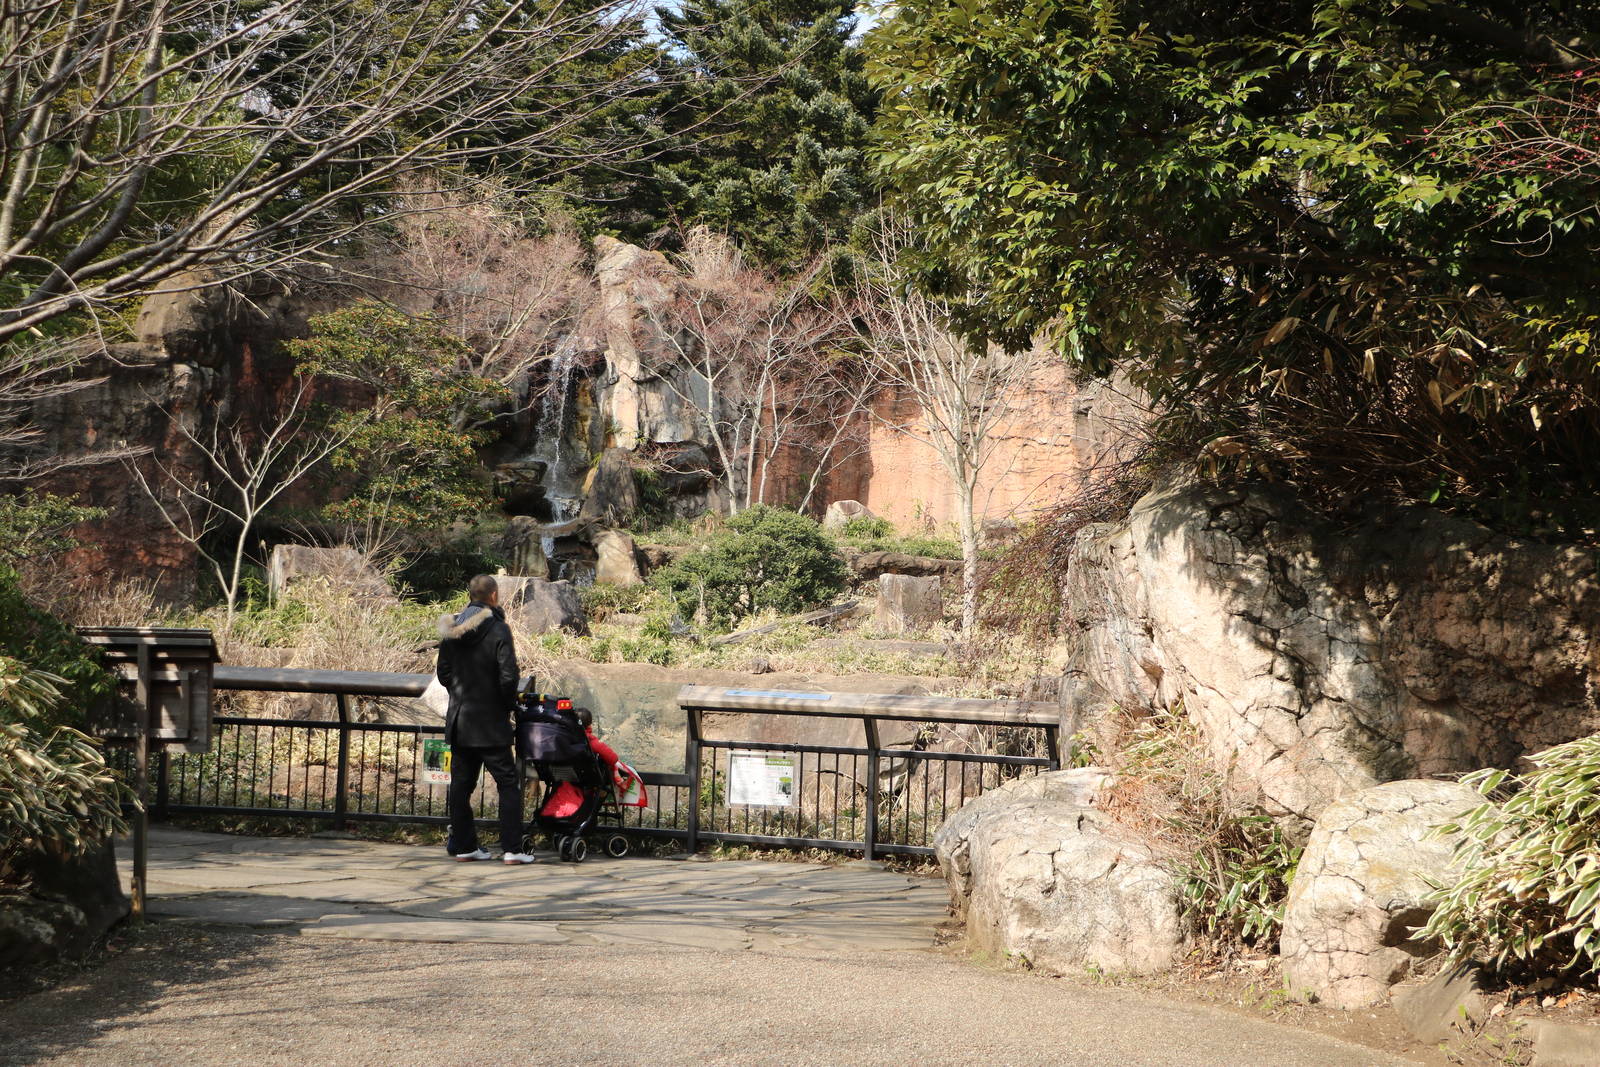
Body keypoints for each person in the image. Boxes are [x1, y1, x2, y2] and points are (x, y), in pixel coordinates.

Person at [436, 574, 533, 865]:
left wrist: (461, 694)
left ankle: (465, 846)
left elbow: (443, 673)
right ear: (493, 596)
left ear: (470, 595)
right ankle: (513, 849)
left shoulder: (451, 627)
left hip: (461, 722)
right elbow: (508, 677)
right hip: (490, 724)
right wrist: (506, 705)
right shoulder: (499, 629)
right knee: (507, 784)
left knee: (461, 785)